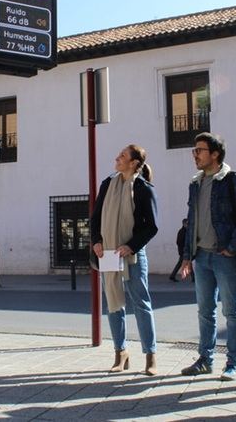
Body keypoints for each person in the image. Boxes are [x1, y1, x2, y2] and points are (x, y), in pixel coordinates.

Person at [179, 132, 236, 381]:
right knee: (205, 311)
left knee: (231, 311)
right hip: (201, 256)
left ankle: (233, 363)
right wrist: (187, 256)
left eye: (199, 150)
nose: (195, 155)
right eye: (194, 150)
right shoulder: (195, 183)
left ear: (215, 154)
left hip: (225, 256)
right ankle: (205, 359)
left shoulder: (234, 181)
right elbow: (192, 222)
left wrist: (233, 247)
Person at [90, 144, 159, 376]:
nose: (117, 158)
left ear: (134, 163)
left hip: (133, 256)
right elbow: (96, 218)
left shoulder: (143, 189)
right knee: (113, 303)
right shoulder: (107, 184)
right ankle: (121, 353)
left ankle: (150, 356)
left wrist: (130, 246)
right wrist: (97, 240)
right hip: (108, 253)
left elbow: (151, 227)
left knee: (141, 304)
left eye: (122, 156)